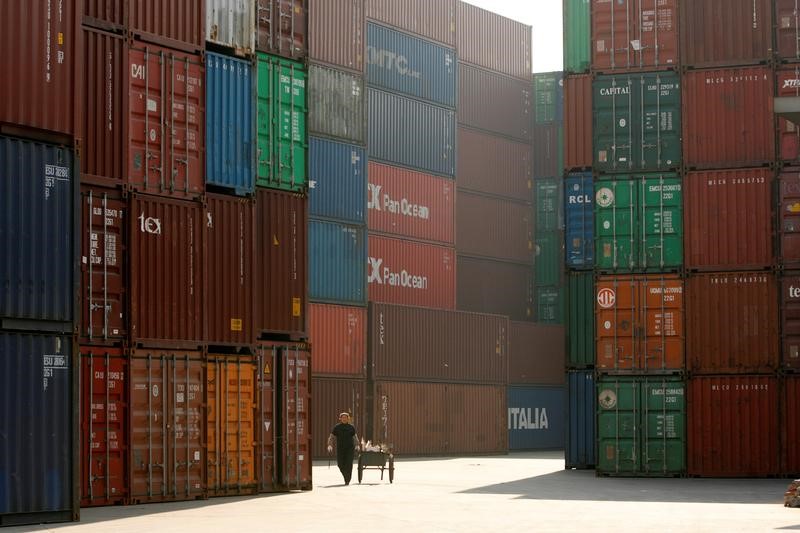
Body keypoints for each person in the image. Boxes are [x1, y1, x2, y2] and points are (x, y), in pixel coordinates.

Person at [327, 412, 360, 485]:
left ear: (348, 419)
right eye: (343, 418)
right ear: (340, 419)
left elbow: (355, 437)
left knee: (349, 464)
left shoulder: (351, 427)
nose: (344, 419)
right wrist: (329, 445)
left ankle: (347, 480)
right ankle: (346, 476)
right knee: (340, 464)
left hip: (350, 448)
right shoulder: (337, 427)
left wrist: (357, 445)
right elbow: (331, 436)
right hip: (340, 448)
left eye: (346, 418)